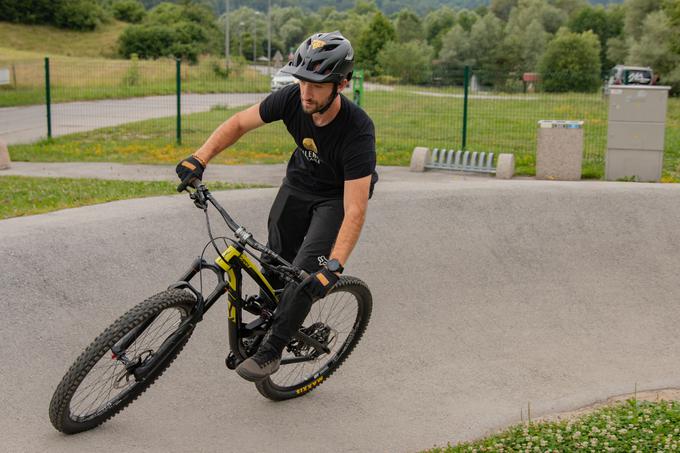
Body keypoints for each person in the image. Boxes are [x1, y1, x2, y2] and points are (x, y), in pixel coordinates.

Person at [175, 31, 378, 382]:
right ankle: (274, 314)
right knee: (272, 260)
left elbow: (356, 209)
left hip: (335, 199)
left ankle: (272, 351)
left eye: (317, 84)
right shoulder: (291, 100)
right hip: (298, 185)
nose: (306, 91)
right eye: (302, 81)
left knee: (302, 276)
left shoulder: (358, 131)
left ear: (341, 84)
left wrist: (335, 265)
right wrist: (200, 158)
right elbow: (239, 123)